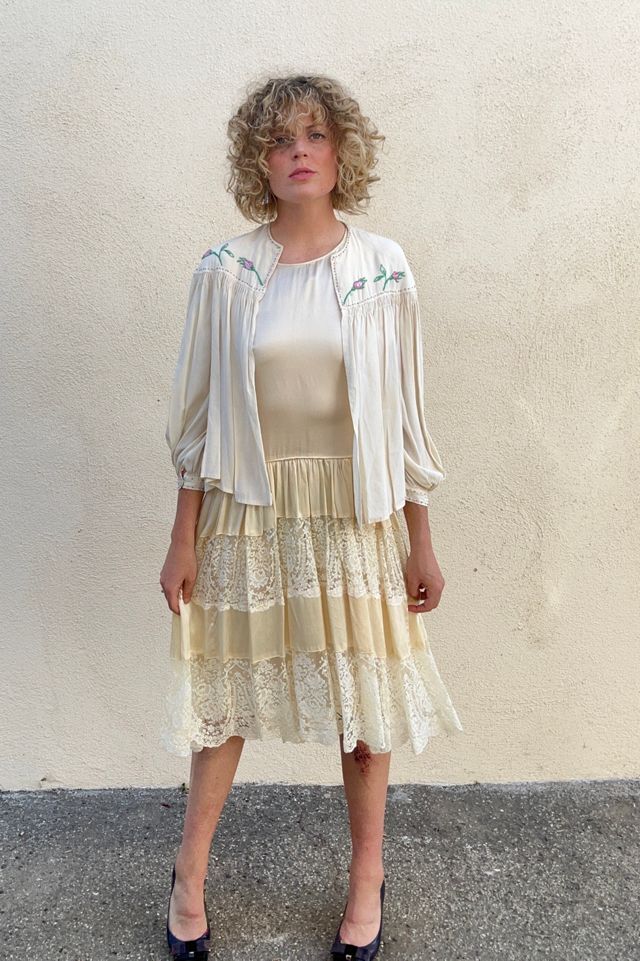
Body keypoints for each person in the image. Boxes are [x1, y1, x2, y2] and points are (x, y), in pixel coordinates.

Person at [159, 73, 463, 961]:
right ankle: (187, 874)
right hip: (247, 514)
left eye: (316, 135)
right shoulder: (224, 273)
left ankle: (367, 876)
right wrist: (181, 537)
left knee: (364, 711)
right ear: (258, 160)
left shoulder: (382, 268)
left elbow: (404, 415)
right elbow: (199, 419)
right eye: (280, 138)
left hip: (354, 515)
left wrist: (420, 539)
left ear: (341, 153)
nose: (299, 151)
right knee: (222, 705)